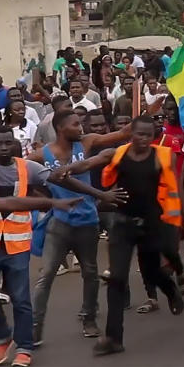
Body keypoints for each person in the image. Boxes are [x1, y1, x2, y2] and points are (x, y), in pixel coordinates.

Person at [0, 124, 124, 367]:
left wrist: (98, 194)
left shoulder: (27, 167)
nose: (3, 147)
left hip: (17, 245)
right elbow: (8, 202)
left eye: (7, 143)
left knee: (21, 299)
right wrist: (50, 201)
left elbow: (63, 179)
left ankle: (24, 346)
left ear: (15, 144)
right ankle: (3, 336)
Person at [57, 116, 184, 356]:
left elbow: (176, 189)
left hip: (151, 224)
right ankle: (113, 339)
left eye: (148, 135)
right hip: (122, 225)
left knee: (152, 272)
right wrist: (68, 168)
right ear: (131, 134)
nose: (143, 139)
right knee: (117, 279)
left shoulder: (163, 157)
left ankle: (170, 291)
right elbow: (89, 163)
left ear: (153, 136)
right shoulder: (116, 154)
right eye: (138, 134)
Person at [26, 110, 130, 345]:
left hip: (87, 222)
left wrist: (145, 115)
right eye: (76, 124)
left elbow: (122, 134)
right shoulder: (40, 155)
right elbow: (25, 178)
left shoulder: (87, 142)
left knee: (90, 273)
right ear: (61, 128)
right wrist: (48, 197)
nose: (81, 127)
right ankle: (35, 328)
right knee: (46, 276)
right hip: (59, 223)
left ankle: (88, 318)